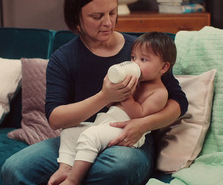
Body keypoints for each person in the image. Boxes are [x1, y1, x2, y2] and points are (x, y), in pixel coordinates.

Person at [1, 0, 188, 185]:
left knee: (117, 168)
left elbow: (179, 102)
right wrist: (105, 96)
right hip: (82, 132)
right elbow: (55, 117)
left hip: (127, 136)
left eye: (112, 12)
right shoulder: (63, 58)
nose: (108, 22)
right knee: (14, 169)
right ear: (76, 17)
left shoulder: (140, 51)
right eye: (97, 16)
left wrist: (144, 124)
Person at [49, 32, 177, 185]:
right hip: (106, 122)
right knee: (70, 131)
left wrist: (126, 96)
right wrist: (110, 95)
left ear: (164, 67)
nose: (135, 63)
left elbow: (138, 114)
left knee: (90, 137)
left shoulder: (159, 92)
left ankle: (73, 180)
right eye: (133, 57)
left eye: (143, 59)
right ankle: (65, 167)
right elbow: (111, 104)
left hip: (127, 130)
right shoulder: (134, 81)